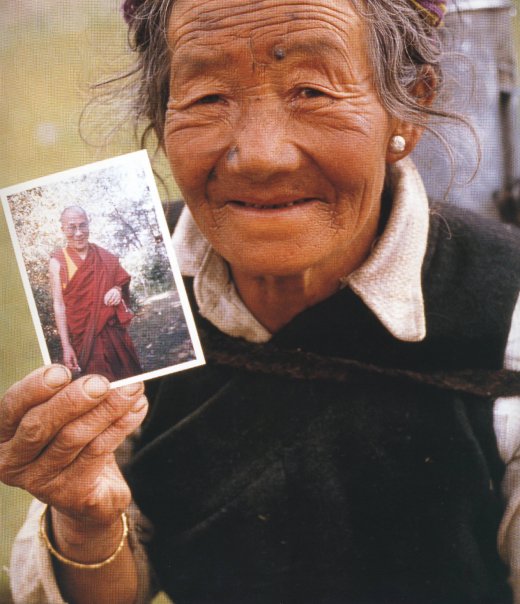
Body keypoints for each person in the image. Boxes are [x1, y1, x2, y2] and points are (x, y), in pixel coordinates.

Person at [1, 0, 520, 603]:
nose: (260, 155)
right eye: (207, 98)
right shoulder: (134, 287)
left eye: (311, 90)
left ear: (408, 106)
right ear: (161, 117)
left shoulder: (505, 313)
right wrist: (87, 520)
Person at [49, 206, 142, 382]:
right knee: (97, 385)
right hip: (85, 339)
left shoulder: (103, 256)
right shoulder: (58, 262)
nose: (78, 233)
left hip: (114, 334)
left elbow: (121, 281)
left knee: (131, 379)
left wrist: (117, 290)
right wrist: (66, 346)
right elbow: (59, 305)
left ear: (89, 225)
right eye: (72, 227)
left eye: (83, 225)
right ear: (63, 229)